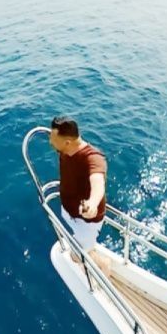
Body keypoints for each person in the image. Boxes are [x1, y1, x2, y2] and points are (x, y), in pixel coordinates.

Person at [49, 115, 112, 277]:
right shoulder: (64, 149)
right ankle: (89, 248)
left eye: (53, 138)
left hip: (87, 221)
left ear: (67, 142)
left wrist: (92, 203)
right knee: (81, 244)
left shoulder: (93, 158)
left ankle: (103, 265)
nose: (50, 141)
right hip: (69, 212)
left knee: (76, 255)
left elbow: (98, 182)